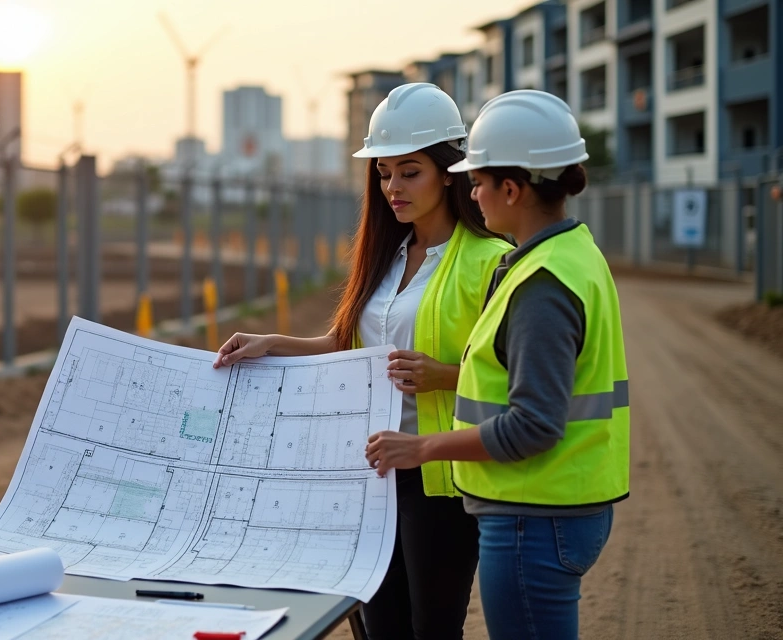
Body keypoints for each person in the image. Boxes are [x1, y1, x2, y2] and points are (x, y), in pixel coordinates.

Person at [213, 83, 511, 640]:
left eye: (409, 171)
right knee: (376, 628)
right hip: (370, 475)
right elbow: (349, 346)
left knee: (432, 629)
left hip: (440, 479)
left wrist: (442, 376)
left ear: (448, 171)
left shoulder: (491, 262)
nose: (392, 186)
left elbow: (514, 376)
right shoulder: (387, 253)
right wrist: (272, 342)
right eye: (383, 172)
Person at [365, 90, 630, 640]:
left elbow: (533, 421)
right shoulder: (568, 257)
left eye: (478, 180)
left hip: (535, 509)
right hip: (555, 503)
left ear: (511, 188)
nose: (472, 191)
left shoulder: (540, 281)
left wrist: (422, 446)